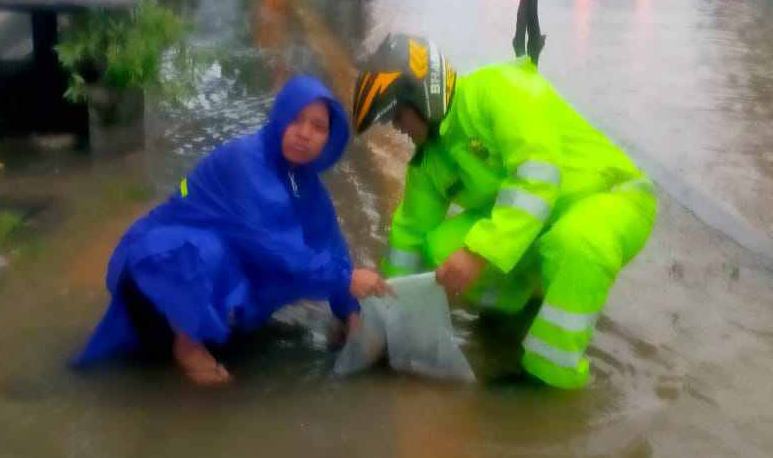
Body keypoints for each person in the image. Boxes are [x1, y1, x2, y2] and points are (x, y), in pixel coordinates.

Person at [352, 34, 657, 389]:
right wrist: (385, 316)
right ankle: (520, 306)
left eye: (397, 115)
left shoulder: (498, 89)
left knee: (577, 244)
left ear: (420, 95)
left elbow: (537, 178)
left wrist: (478, 253)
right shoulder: (430, 158)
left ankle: (547, 379)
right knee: (439, 251)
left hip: (609, 195)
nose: (397, 128)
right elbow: (409, 236)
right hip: (539, 222)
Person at [75, 75, 390, 385]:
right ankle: (187, 345)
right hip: (154, 276)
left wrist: (349, 313)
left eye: (318, 127)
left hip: (197, 278)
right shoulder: (247, 161)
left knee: (298, 261)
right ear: (280, 118)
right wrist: (346, 279)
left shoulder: (303, 182)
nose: (305, 134)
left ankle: (211, 327)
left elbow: (328, 242)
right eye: (296, 120)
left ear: (329, 138)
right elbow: (275, 247)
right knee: (217, 252)